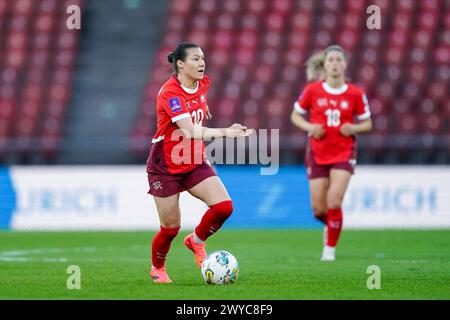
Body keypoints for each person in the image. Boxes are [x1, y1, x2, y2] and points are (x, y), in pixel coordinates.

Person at [147, 42, 252, 283]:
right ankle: (158, 269)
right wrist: (227, 132)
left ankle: (195, 241)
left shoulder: (203, 83)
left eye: (202, 58)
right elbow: (188, 130)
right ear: (181, 64)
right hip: (166, 163)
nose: (202, 63)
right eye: (195, 59)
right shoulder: (169, 92)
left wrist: (203, 111)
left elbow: (197, 105)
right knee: (170, 227)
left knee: (224, 207)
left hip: (194, 159)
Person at [290, 45, 373, 261]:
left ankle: (329, 250)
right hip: (317, 152)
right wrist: (310, 128)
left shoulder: (355, 93)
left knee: (334, 201)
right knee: (319, 209)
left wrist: (353, 128)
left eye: (338, 60)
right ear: (325, 64)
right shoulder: (312, 90)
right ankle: (333, 225)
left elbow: (368, 123)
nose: (335, 64)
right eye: (331, 60)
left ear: (345, 64)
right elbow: (295, 116)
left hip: (344, 152)